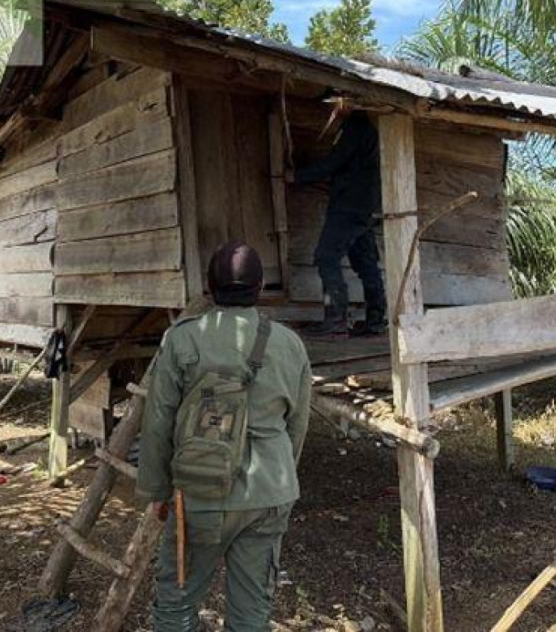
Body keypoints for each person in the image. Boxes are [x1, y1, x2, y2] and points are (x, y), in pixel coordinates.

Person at [137, 241, 312, 632]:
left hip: (200, 492)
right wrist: (282, 476)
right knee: (251, 612)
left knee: (176, 604)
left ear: (209, 287)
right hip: (269, 491)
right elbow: (296, 425)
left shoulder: (182, 339)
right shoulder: (290, 344)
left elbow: (158, 421)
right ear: (260, 287)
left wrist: (158, 490)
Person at [291, 101, 386, 336]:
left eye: (333, 103)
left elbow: (333, 163)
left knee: (326, 257)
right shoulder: (366, 130)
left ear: (346, 102)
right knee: (366, 265)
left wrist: (298, 176)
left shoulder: (354, 129)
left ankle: (336, 318)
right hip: (364, 207)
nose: (330, 109)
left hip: (349, 207)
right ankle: (375, 321)